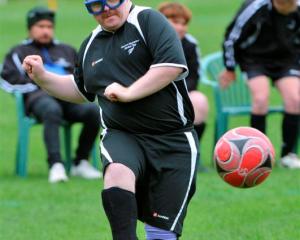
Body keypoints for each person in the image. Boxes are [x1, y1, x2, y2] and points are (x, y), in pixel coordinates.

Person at [22, 0, 199, 239]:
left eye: (111, 1)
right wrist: (43, 77)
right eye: (96, 5)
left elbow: (170, 67)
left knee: (161, 234)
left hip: (173, 140)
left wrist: (129, 92)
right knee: (116, 172)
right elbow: (79, 89)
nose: (105, 9)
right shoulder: (91, 44)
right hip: (123, 134)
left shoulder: (148, 20)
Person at [1, 6, 102, 183]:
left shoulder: (67, 50)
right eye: (40, 26)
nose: (45, 31)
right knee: (51, 109)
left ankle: (80, 162)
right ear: (30, 28)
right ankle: (56, 165)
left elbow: (81, 77)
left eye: (49, 27)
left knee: (93, 111)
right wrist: (38, 86)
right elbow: (7, 80)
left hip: (68, 97)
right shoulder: (18, 52)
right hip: (38, 100)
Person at [220, 0, 300, 169]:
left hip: (287, 61)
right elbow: (231, 37)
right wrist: (230, 68)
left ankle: (288, 155)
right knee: (261, 99)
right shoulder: (255, 7)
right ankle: (259, 155)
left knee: (295, 100)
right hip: (255, 60)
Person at [158, 2, 209, 171]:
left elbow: (194, 76)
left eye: (184, 23)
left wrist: (177, 93)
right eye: (175, 22)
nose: (180, 27)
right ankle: (159, 157)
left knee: (200, 101)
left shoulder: (190, 44)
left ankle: (192, 155)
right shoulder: (149, 42)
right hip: (152, 95)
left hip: (182, 93)